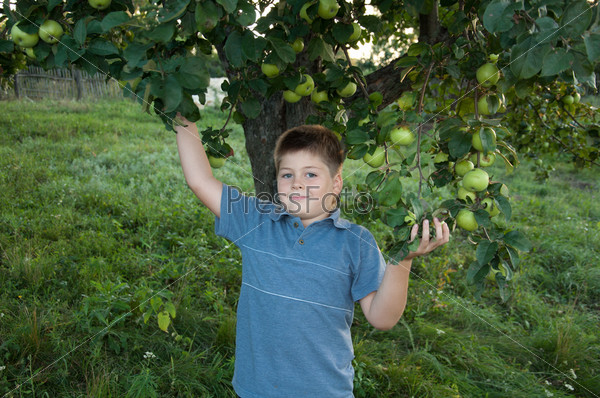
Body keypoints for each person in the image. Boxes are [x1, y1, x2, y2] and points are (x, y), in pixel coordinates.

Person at [174, 116, 450, 398]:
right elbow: (199, 180)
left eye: (311, 174)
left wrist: (402, 261)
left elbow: (382, 318)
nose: (296, 184)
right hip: (257, 389)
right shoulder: (257, 222)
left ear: (336, 182)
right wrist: (182, 114)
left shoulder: (355, 242)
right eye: (287, 174)